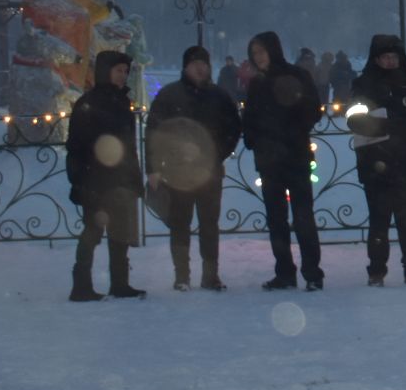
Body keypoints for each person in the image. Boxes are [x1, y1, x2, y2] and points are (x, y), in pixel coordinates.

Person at [146, 44, 243, 291]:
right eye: (195, 64)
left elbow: (233, 129)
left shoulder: (219, 96)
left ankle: (210, 275)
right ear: (186, 67)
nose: (200, 68)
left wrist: (217, 154)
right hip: (177, 171)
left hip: (209, 171)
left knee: (209, 225)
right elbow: (154, 131)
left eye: (204, 64)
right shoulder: (169, 95)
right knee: (180, 224)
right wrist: (154, 167)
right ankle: (182, 276)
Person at [347, 35, 406, 285]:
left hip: (405, 160)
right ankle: (376, 270)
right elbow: (354, 118)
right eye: (385, 57)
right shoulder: (363, 84)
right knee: (379, 221)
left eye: (394, 57)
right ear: (376, 59)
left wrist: (396, 125)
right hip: (374, 161)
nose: (389, 61)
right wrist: (390, 126)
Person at [242, 31, 325, 291]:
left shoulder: (297, 76)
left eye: (261, 52)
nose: (258, 57)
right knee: (276, 220)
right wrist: (253, 137)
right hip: (269, 161)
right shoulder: (256, 84)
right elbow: (250, 118)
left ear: (273, 51)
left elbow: (312, 110)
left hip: (295, 157)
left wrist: (289, 130)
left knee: (303, 218)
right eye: (254, 53)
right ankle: (285, 272)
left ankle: (312, 273)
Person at [66, 50, 146, 301]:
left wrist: (134, 177)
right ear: (105, 71)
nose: (123, 76)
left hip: (120, 180)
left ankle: (120, 282)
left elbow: (128, 146)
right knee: (92, 232)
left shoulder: (122, 102)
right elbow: (77, 146)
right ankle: (81, 285)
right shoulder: (88, 103)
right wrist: (79, 180)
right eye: (118, 70)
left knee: (120, 233)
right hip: (95, 180)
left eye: (125, 71)